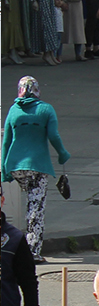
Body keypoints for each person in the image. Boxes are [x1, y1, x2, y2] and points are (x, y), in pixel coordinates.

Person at [3, 76, 70, 261]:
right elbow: (54, 136)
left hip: (15, 166)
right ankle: (32, 251)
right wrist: (62, 154)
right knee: (36, 206)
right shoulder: (45, 109)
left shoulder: (13, 110)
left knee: (26, 201)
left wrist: (3, 168)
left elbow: (6, 141)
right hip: (38, 166)